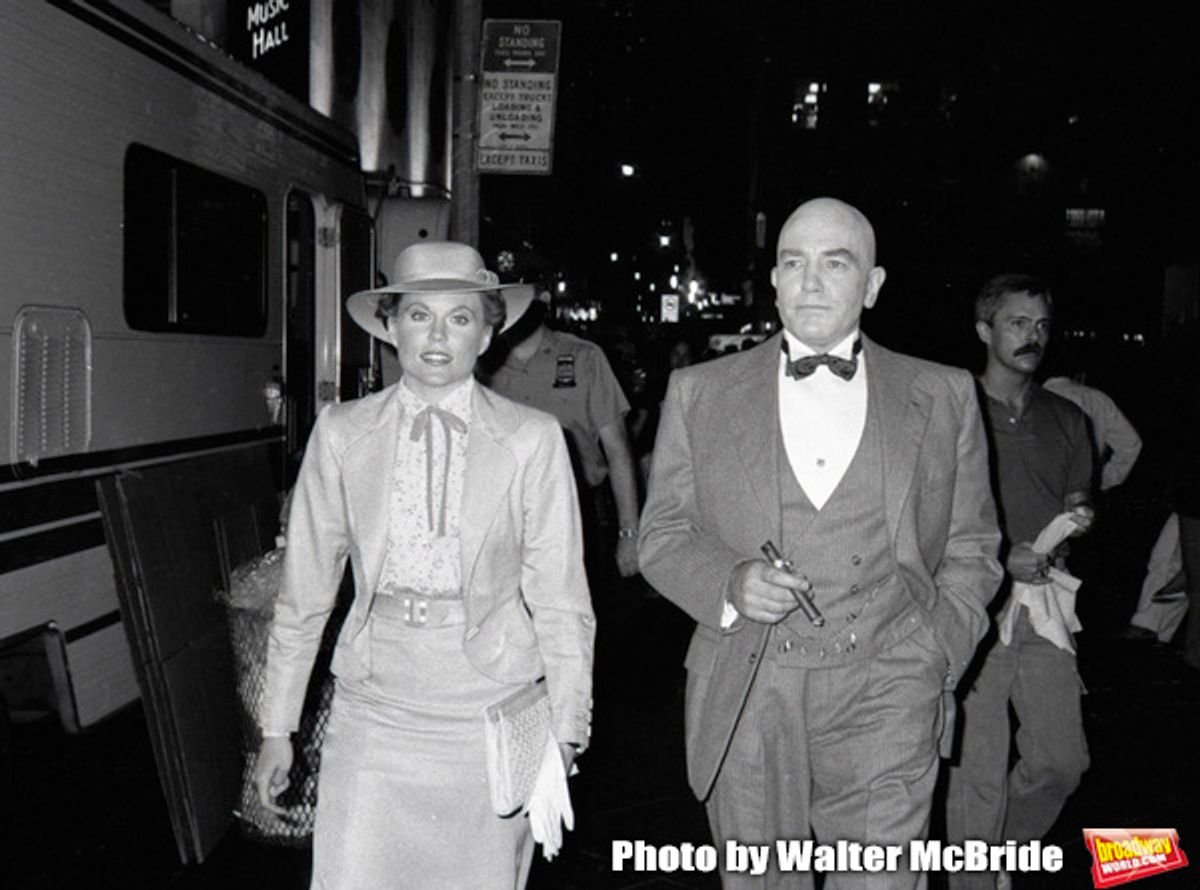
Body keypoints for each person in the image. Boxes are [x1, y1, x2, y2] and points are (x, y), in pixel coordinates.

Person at [638, 197, 1003, 890]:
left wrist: (937, 649)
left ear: (872, 285)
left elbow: (974, 542)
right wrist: (729, 582)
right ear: (772, 279)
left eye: (836, 264)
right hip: (749, 683)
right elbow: (663, 533)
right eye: (793, 263)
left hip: (890, 680)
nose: (810, 281)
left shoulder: (944, 393)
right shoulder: (698, 392)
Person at [253, 242, 595, 889]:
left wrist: (567, 733)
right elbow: (304, 597)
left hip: (486, 713)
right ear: (390, 325)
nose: (437, 337)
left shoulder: (532, 440)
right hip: (374, 709)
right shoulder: (340, 433)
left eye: (460, 318)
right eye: (418, 316)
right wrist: (278, 727)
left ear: (488, 330)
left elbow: (561, 602)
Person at [946, 274, 1095, 890]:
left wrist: (1077, 519)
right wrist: (1000, 556)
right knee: (976, 775)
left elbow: (1076, 495)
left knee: (1062, 763)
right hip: (973, 610)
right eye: (1016, 323)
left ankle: (999, 855)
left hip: (1043, 608)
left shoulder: (1067, 417)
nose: (1032, 337)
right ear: (985, 330)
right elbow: (929, 518)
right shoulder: (954, 411)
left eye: (1040, 325)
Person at [478, 282, 640, 581]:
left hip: (580, 509)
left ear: (543, 299)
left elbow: (617, 451)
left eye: (521, 296)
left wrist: (629, 532)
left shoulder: (584, 357)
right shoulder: (483, 364)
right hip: (504, 513)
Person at [1041, 370, 1141, 492]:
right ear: (1080, 375)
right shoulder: (1097, 399)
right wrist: (1103, 479)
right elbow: (1130, 443)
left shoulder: (1026, 400)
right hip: (1083, 493)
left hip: (1039, 492)